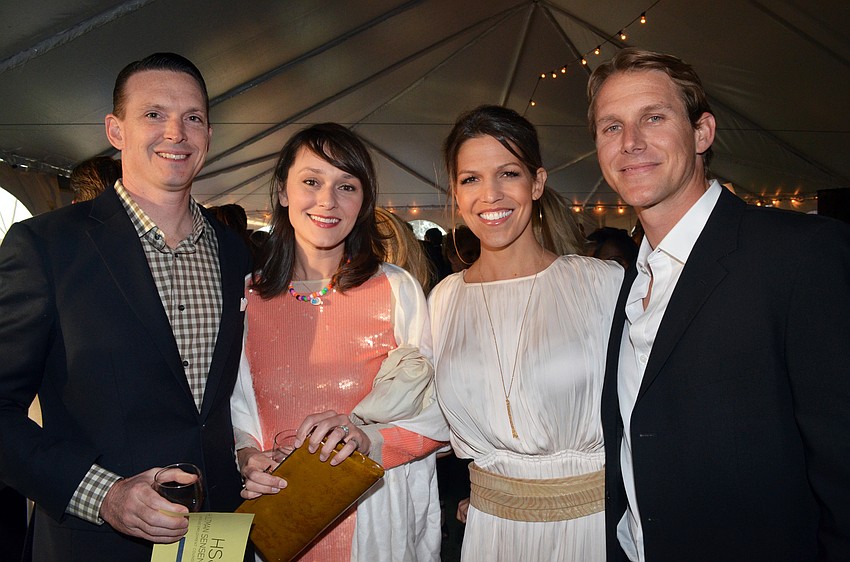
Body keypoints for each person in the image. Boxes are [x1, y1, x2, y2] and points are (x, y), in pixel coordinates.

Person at [588, 47, 850, 562]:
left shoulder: (799, 254)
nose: (631, 143)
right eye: (611, 127)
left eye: (654, 118)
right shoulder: (622, 283)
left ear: (702, 132)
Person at [0, 53, 251, 562]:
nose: (176, 132)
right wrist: (104, 494)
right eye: (154, 114)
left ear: (208, 133)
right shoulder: (46, 246)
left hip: (215, 539)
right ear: (115, 130)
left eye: (193, 118)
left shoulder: (236, 254)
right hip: (96, 543)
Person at [230, 123, 448, 561]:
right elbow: (237, 408)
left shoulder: (395, 289)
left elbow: (441, 411)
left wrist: (368, 439)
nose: (327, 201)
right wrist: (248, 456)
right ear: (283, 191)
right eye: (311, 181)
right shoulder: (248, 296)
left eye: (346, 186)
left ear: (363, 201)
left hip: (375, 521)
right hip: (282, 514)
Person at [428, 105, 623, 561]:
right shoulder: (443, 300)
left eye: (508, 174)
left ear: (536, 183)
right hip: (490, 532)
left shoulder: (600, 284)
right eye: (470, 179)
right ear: (456, 193)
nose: (490, 195)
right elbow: (429, 417)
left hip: (591, 530)